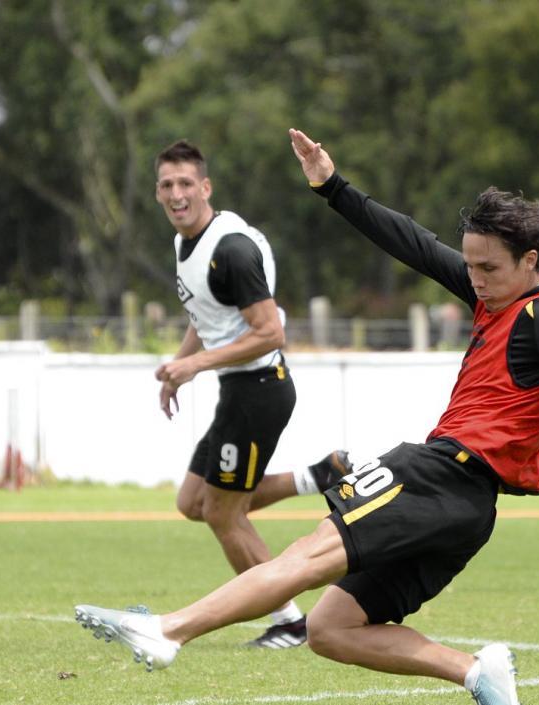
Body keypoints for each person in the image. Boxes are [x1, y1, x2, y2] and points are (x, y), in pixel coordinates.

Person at [73, 127, 539, 704]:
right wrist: (332, 186)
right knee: (330, 629)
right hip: (466, 509)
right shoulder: (495, 296)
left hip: (444, 475)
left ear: (530, 260)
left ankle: (168, 630)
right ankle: (477, 673)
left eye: (488, 268)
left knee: (308, 553)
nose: (474, 279)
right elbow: (414, 243)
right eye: (470, 265)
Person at [151, 140, 349, 649]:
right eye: (167, 185)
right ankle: (318, 477)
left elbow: (269, 334)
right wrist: (179, 367)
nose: (176, 194)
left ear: (206, 187)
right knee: (193, 502)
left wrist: (193, 365)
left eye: (185, 183)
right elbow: (206, 315)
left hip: (259, 391)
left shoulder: (231, 250)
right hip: (238, 390)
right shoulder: (186, 242)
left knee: (222, 512)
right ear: (158, 193)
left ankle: (290, 621)